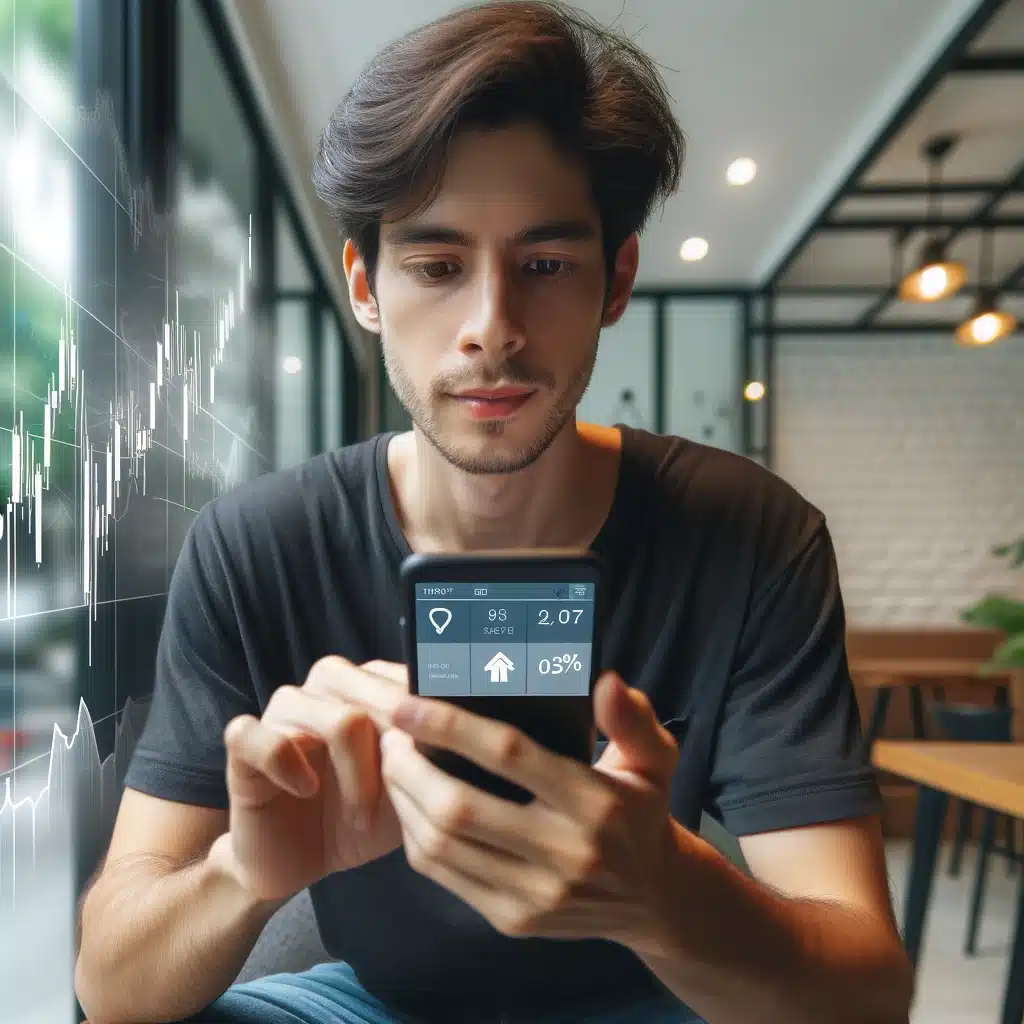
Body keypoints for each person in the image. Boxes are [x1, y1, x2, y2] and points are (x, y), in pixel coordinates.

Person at [74, 2, 914, 1023]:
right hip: (367, 1001)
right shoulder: (259, 544)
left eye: (545, 265)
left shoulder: (753, 534)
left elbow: (867, 990)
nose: (490, 328)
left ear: (615, 280)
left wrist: (667, 896)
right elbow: (113, 984)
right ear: (365, 286)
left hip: (660, 993)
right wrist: (243, 873)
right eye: (436, 266)